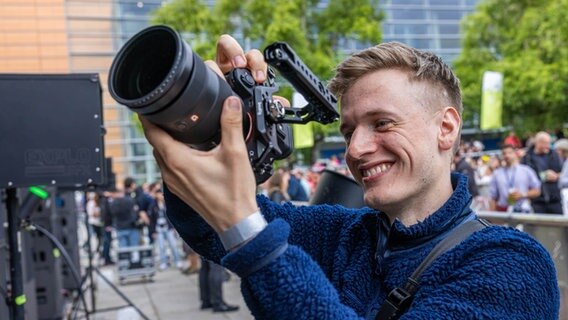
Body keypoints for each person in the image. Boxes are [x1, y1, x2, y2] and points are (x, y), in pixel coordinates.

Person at [139, 37, 559, 318]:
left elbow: (245, 228)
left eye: (382, 123)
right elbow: (210, 227)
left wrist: (254, 241)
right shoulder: (344, 232)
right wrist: (210, 131)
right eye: (348, 130)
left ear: (446, 129)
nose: (355, 150)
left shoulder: (513, 265)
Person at [489, 144, 541, 212]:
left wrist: (522, 194)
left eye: (510, 152)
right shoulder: (497, 174)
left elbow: (537, 191)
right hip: (504, 211)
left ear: (515, 154)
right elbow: (493, 197)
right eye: (504, 153)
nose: (507, 155)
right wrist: (492, 217)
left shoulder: (526, 170)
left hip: (523, 210)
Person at [521, 131, 564, 214]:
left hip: (555, 200)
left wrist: (557, 176)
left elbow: (563, 172)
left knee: (559, 225)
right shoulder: (527, 158)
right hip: (537, 201)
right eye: (546, 143)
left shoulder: (554, 155)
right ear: (538, 143)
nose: (548, 146)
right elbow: (524, 177)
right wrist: (543, 176)